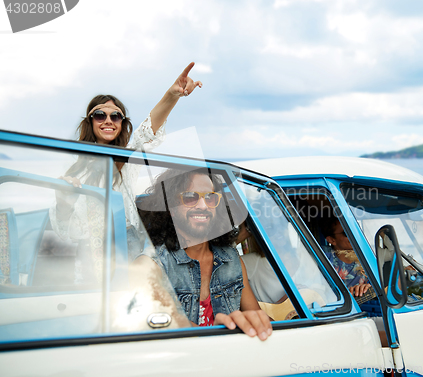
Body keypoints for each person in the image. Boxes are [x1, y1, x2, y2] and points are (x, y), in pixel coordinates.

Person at [50, 63, 202, 283]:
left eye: (116, 116)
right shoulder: (74, 167)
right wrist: (63, 200)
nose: (108, 120)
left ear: (122, 123)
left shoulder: (127, 160)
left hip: (127, 244)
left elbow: (148, 130)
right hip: (90, 252)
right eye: (100, 115)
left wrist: (172, 95)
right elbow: (66, 231)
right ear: (90, 121)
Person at [134, 169, 272, 340]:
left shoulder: (231, 260)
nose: (203, 205)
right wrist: (213, 334)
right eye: (190, 197)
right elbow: (156, 323)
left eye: (210, 198)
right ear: (171, 208)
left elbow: (256, 317)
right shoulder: (151, 266)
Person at [319, 216, 372, 297]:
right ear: (331, 240)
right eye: (346, 233)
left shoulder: (368, 257)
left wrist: (367, 288)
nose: (353, 235)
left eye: (354, 231)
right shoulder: (322, 257)